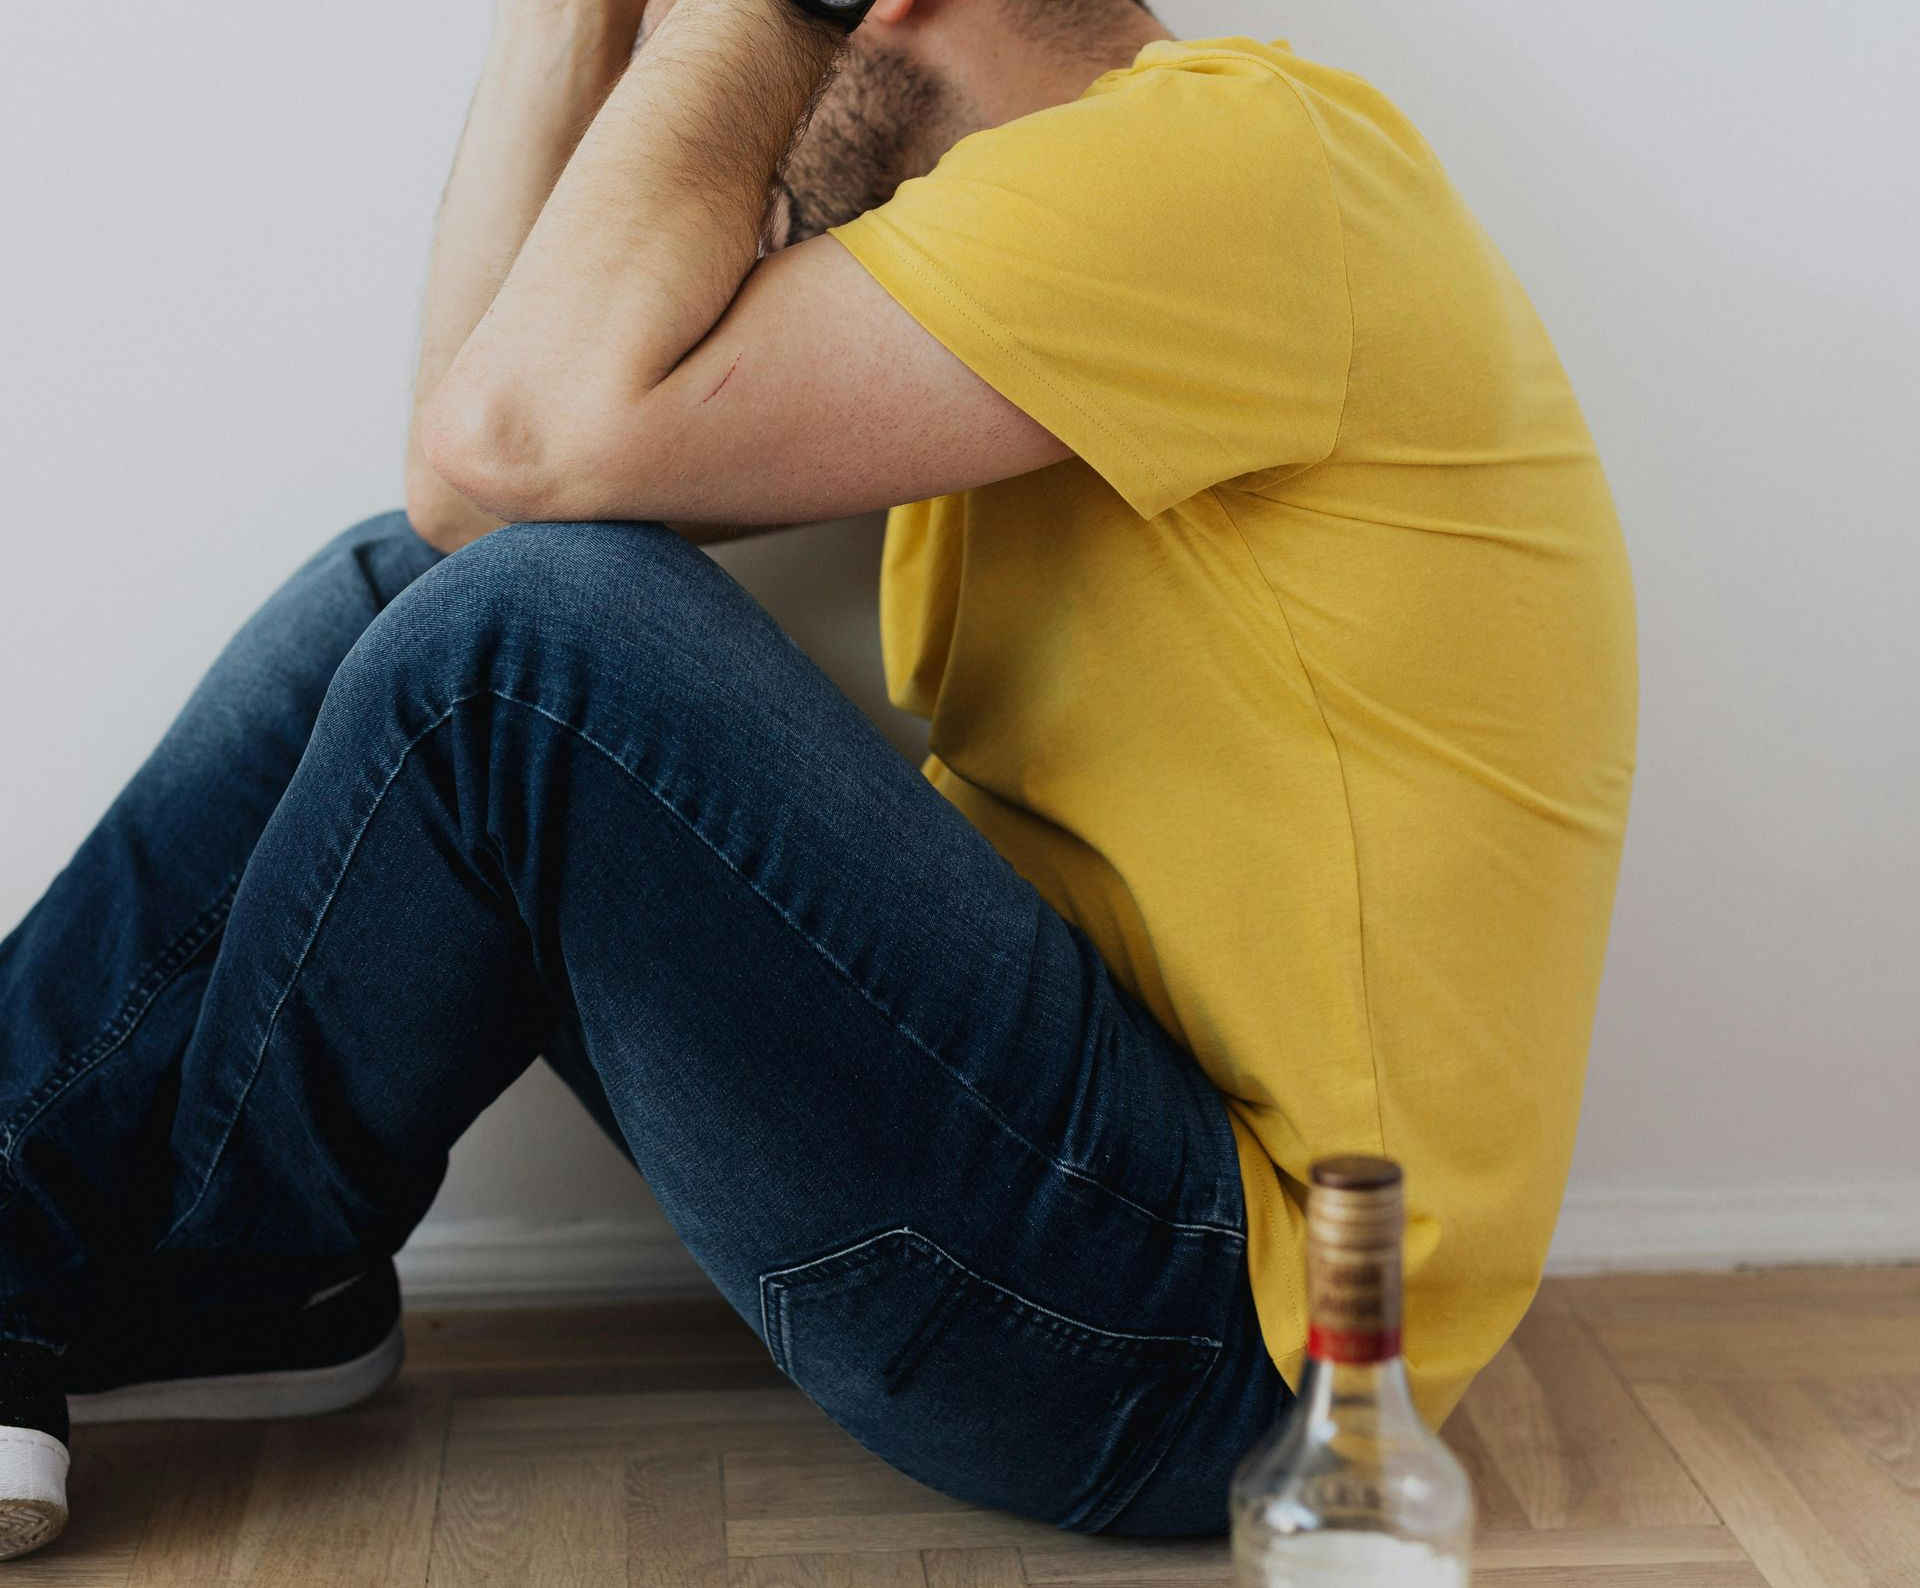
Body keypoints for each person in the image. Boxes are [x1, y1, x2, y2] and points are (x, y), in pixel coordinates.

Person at [0, 0, 1638, 1562]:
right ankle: (184, 1268)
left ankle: (171, 1260)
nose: (705, 110)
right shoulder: (1028, 281)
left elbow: (504, 465)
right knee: (426, 594)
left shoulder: (1236, 157)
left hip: (1242, 1355)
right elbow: (464, 495)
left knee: (529, 632)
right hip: (1094, 1229)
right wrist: (562, 22)